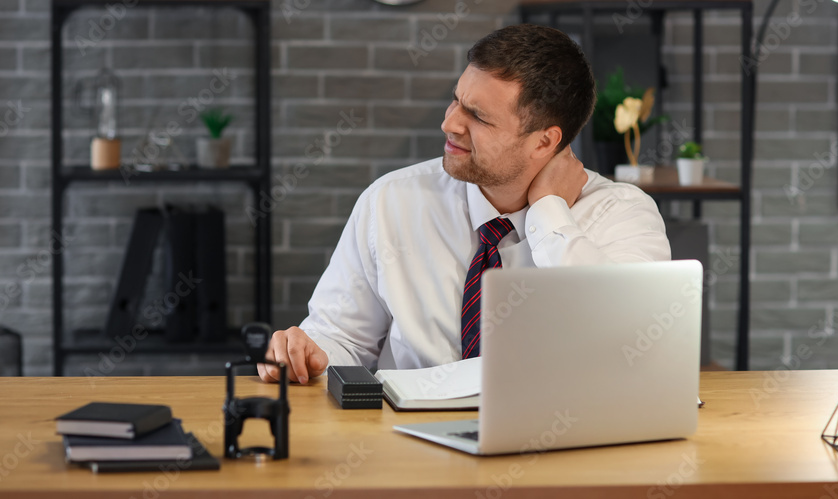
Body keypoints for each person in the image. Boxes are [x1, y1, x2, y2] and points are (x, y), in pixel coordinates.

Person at [258, 23, 671, 384]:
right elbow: (343, 338)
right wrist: (311, 355)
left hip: (556, 447)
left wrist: (548, 213)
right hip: (409, 448)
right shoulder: (391, 202)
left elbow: (631, 342)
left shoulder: (621, 215)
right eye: (457, 100)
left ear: (544, 141)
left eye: (478, 116)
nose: (450, 123)